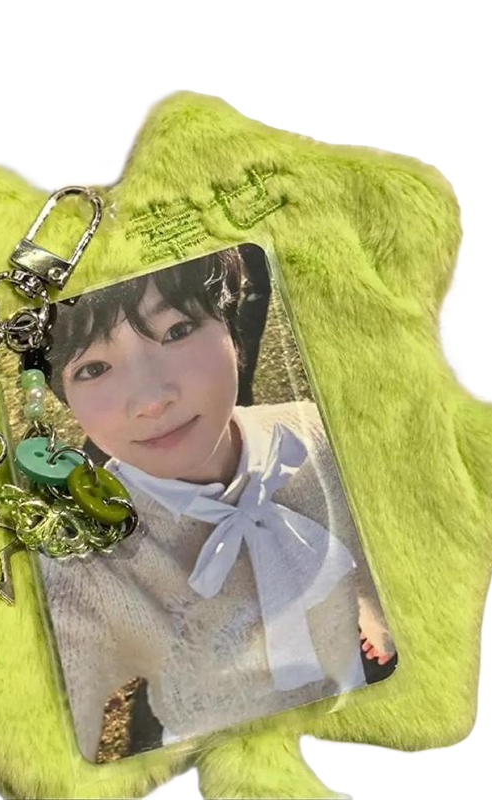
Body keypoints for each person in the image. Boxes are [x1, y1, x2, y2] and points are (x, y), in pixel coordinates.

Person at [33, 247, 395, 762]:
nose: (151, 399)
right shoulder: (82, 554)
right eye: (93, 368)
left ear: (233, 328)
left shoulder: (321, 434)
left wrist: (375, 612)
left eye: (177, 331)